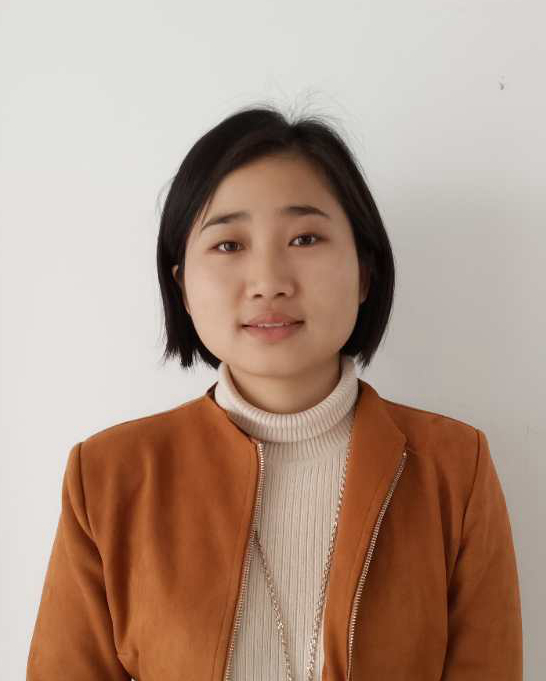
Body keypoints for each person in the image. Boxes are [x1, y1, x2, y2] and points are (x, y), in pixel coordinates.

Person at [26, 105, 523, 680]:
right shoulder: (108, 477)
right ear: (182, 285)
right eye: (228, 245)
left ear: (364, 271)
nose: (268, 283)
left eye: (305, 238)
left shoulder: (455, 469)